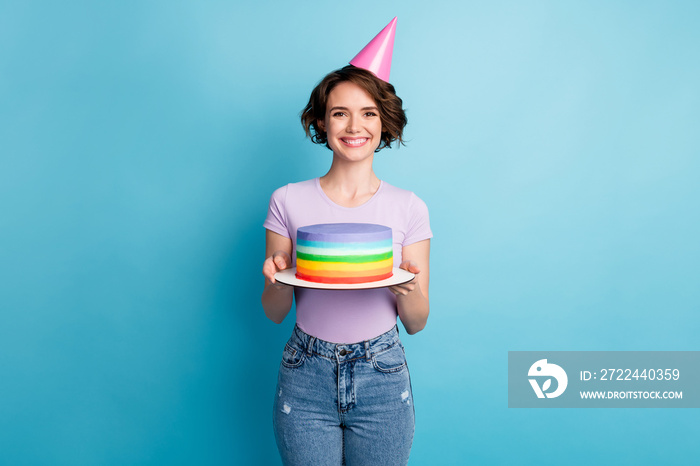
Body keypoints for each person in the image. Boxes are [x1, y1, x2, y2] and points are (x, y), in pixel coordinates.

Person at [261, 19, 431, 466]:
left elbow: (416, 322)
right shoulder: (287, 200)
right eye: (340, 112)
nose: (354, 125)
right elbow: (275, 312)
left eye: (368, 113)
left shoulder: (409, 207)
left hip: (382, 371)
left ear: (384, 122)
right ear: (322, 121)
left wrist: (407, 290)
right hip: (304, 372)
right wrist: (277, 279)